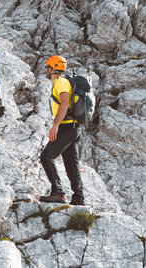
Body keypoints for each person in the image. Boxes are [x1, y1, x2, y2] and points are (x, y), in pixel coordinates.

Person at [39, 55, 85, 206]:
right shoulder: (67, 82)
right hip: (74, 127)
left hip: (66, 126)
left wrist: (55, 125)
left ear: (53, 69)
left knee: (46, 156)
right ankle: (79, 198)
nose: (46, 70)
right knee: (71, 163)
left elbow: (64, 103)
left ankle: (58, 192)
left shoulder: (61, 82)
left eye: (48, 67)